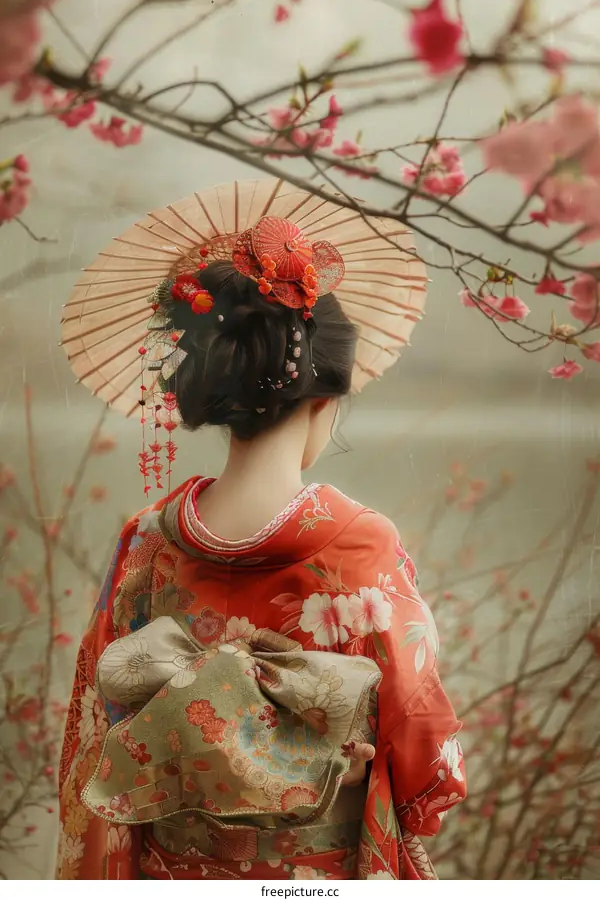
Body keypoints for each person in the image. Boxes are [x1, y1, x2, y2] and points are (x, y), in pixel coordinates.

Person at [56, 207, 465, 881]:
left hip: (173, 871)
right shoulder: (359, 546)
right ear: (325, 398)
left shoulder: (146, 542)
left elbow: (101, 723)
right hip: (314, 873)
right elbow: (422, 748)